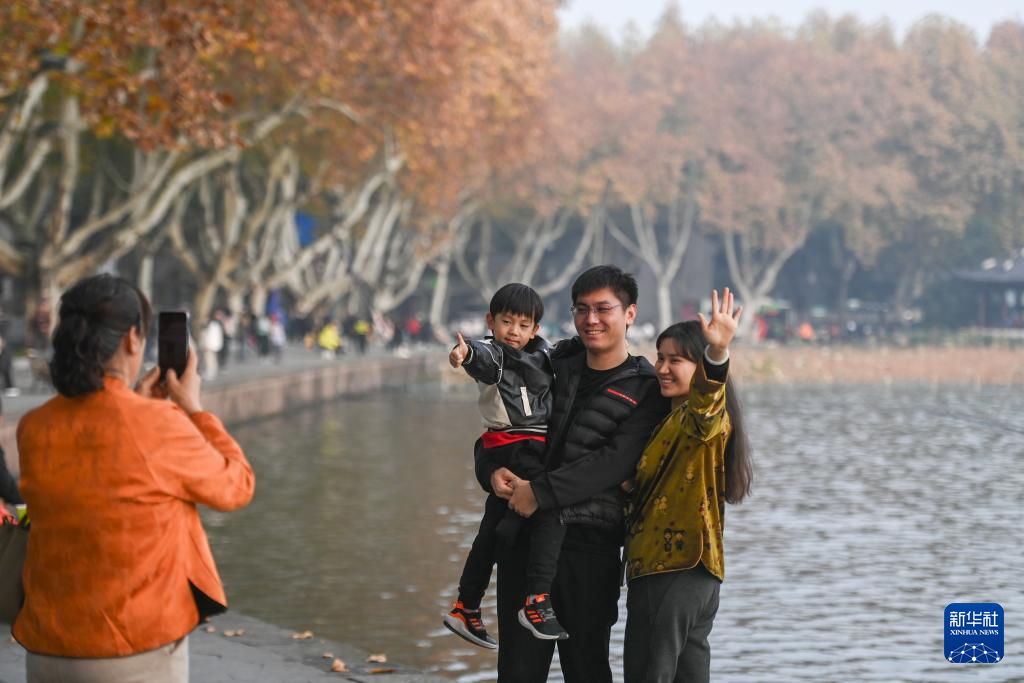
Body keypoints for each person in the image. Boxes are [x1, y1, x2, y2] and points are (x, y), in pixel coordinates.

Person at [14, 274, 255, 683]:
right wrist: (193, 409)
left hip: (47, 647)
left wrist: (138, 404)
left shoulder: (34, 425)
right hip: (132, 651)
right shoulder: (157, 423)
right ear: (132, 339)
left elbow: (98, 479)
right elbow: (237, 485)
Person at [477, 265, 670, 682]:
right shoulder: (552, 363)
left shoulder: (647, 388)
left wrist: (539, 492)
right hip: (525, 539)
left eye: (603, 309)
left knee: (586, 668)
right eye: (582, 309)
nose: (591, 319)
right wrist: (490, 471)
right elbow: (500, 430)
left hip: (590, 546)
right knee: (518, 672)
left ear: (630, 313)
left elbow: (613, 463)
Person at [623, 289, 753, 683]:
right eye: (660, 357)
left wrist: (718, 352)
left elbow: (707, 400)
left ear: (699, 369)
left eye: (675, 360)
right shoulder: (668, 420)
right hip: (695, 576)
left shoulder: (700, 420)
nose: (662, 368)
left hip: (671, 569)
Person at [444, 284, 567, 649]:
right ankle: (537, 600)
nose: (513, 331)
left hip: (516, 449)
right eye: (506, 322)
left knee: (492, 531)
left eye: (523, 324)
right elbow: (478, 355)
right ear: (491, 322)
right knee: (551, 508)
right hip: (517, 446)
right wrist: (463, 354)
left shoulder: (543, 354)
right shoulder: (496, 355)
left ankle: (466, 605)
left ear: (536, 329)